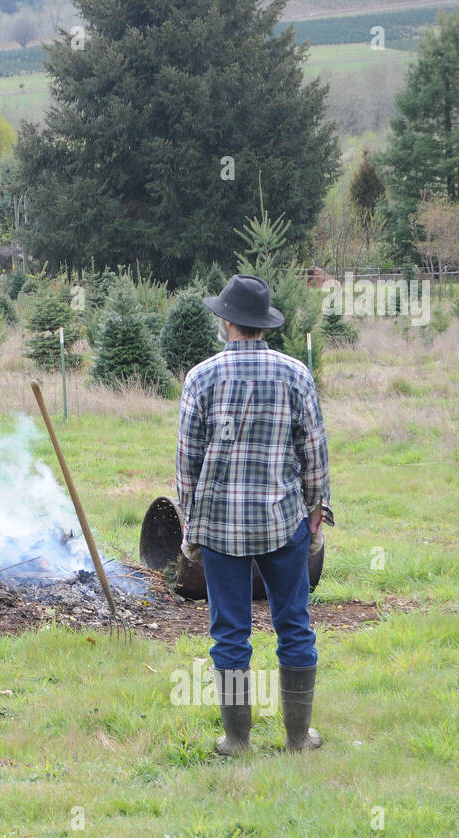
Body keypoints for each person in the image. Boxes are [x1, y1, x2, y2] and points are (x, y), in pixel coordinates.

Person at [175, 274, 334, 756]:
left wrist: (189, 521)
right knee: (295, 625)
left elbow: (188, 462)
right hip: (284, 522)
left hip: (221, 529)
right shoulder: (295, 375)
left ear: (226, 322)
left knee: (229, 632)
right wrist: (316, 508)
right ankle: (297, 739)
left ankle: (238, 741)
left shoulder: (200, 377)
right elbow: (314, 451)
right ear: (263, 324)